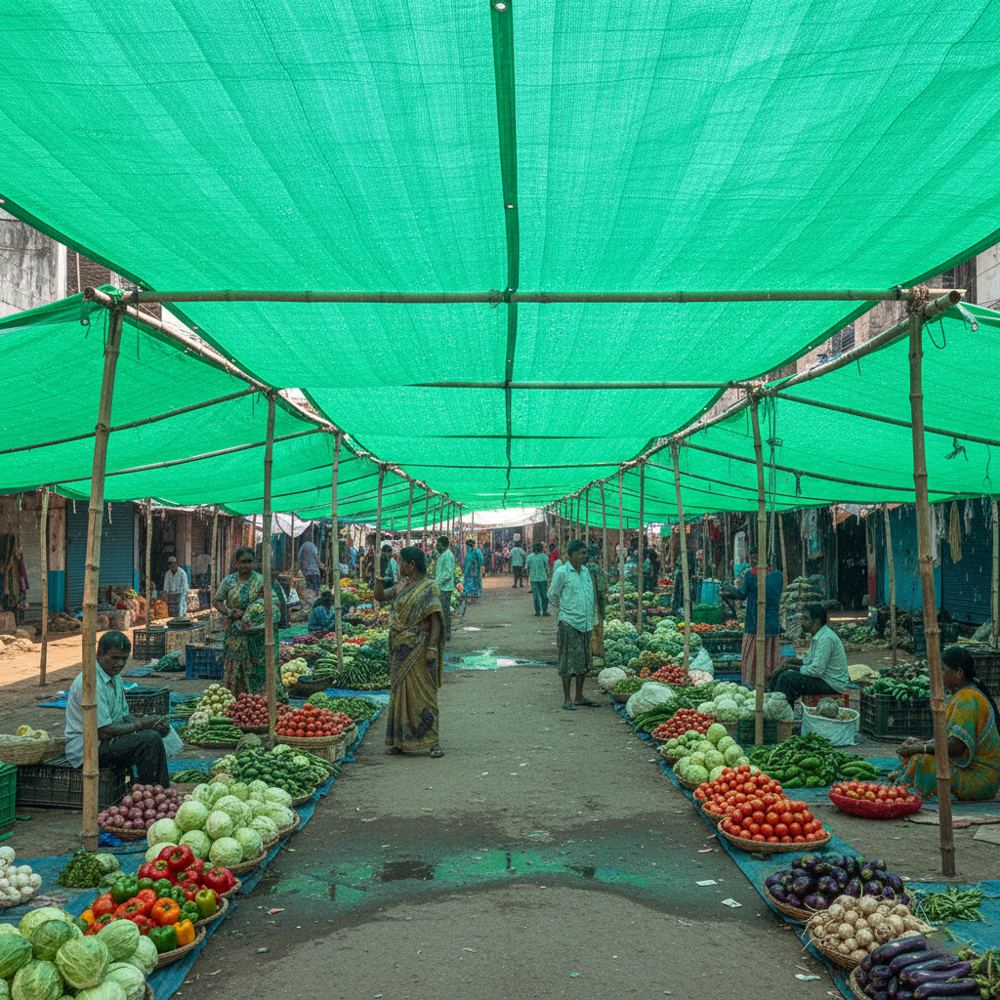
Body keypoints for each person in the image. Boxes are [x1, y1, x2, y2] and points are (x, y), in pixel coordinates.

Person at [65, 631, 171, 786]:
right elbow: (103, 731)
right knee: (149, 740)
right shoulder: (91, 682)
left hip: (107, 741)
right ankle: (153, 794)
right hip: (87, 749)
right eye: (114, 658)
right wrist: (140, 725)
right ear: (100, 654)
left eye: (124, 659)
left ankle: (155, 791)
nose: (120, 663)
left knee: (152, 734)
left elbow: (123, 715)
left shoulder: (116, 678)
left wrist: (151, 724)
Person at [897, 646, 1000, 800]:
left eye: (943, 670)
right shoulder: (964, 695)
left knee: (925, 759)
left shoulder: (969, 699)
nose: (939, 675)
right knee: (917, 752)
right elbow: (948, 739)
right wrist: (919, 744)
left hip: (980, 779)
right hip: (968, 768)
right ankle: (902, 786)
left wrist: (920, 747)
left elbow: (956, 748)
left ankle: (909, 792)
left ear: (958, 673)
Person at [374, 546, 445, 758]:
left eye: (401, 562)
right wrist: (378, 578)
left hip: (420, 648)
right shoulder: (401, 586)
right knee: (400, 694)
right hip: (400, 649)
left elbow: (436, 621)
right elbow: (380, 597)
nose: (398, 566)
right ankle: (401, 740)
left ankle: (432, 741)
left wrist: (432, 647)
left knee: (425, 695)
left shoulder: (430, 588)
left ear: (411, 564)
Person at [213, 546, 287, 700]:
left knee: (257, 671)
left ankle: (261, 702)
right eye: (243, 562)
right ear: (236, 564)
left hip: (257, 637)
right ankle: (237, 702)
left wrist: (254, 616)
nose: (247, 565)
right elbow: (217, 601)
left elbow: (274, 607)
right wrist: (229, 612)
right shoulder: (229, 581)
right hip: (236, 636)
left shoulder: (261, 581)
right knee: (236, 671)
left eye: (250, 561)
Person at [548, 540, 600, 711]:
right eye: (580, 553)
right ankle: (567, 698)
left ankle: (579, 696)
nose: (584, 556)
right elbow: (553, 595)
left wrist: (592, 620)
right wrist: (566, 609)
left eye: (585, 552)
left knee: (584, 662)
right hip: (569, 622)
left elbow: (590, 595)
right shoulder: (562, 572)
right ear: (570, 555)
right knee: (567, 661)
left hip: (585, 622)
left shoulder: (585, 571)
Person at [725, 549, 783, 688]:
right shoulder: (778, 576)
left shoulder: (750, 576)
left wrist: (728, 588)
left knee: (754, 659)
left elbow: (741, 594)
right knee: (769, 659)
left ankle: (752, 686)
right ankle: (769, 684)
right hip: (772, 625)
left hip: (754, 625)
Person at [769, 604, 848, 707]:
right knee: (786, 668)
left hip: (831, 684)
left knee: (787, 678)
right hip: (824, 678)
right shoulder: (818, 636)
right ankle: (774, 702)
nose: (803, 622)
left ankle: (780, 711)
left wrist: (791, 668)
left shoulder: (825, 639)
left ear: (817, 622)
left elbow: (816, 670)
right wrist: (790, 663)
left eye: (806, 619)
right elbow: (808, 661)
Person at [586, 544, 609, 657]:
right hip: (594, 605)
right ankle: (596, 655)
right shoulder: (597, 570)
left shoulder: (580, 569)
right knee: (596, 631)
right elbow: (601, 591)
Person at [434, 534, 455, 641]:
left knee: (445, 611)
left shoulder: (447, 555)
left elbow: (448, 573)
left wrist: (438, 583)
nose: (436, 546)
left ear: (442, 545)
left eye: (437, 544)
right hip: (444, 587)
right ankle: (445, 632)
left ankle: (446, 633)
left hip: (445, 588)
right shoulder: (444, 554)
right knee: (444, 611)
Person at [526, 542, 551, 617]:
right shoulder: (544, 556)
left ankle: (537, 611)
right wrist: (549, 574)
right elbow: (547, 567)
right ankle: (545, 611)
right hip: (543, 578)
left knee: (535, 596)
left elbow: (526, 567)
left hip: (533, 579)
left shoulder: (530, 556)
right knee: (544, 595)